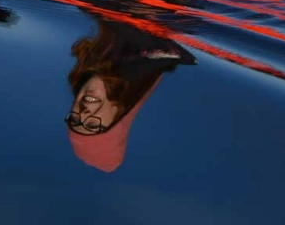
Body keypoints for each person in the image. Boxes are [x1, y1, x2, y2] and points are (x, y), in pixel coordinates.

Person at [65, 16, 196, 172]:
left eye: (74, 120)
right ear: (118, 115)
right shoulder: (153, 54)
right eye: (93, 125)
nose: (84, 114)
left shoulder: (106, 52)